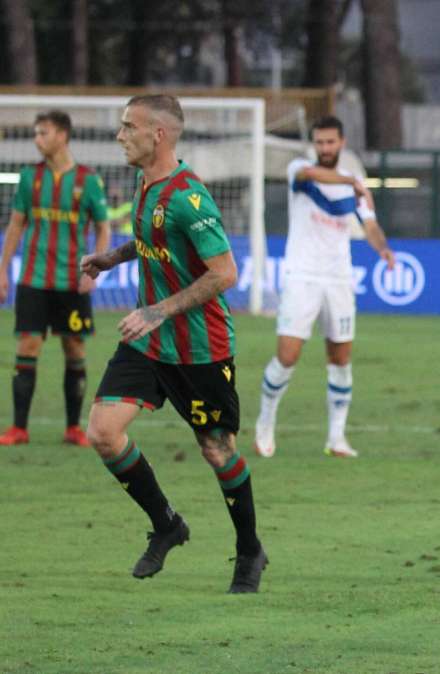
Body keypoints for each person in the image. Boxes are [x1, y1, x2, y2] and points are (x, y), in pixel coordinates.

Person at [80, 94, 267, 593]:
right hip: (148, 344)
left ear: (157, 134)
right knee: (102, 432)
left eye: (128, 127)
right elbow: (149, 241)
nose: (120, 136)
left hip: (201, 349)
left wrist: (158, 310)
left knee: (217, 451)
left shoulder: (189, 197)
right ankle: (167, 525)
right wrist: (113, 258)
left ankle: (249, 549)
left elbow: (225, 273)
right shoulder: (145, 184)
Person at [254, 116, 394, 459]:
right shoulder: (300, 170)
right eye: (320, 143)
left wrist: (384, 250)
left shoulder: (354, 184)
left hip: (339, 279)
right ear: (314, 145)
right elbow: (313, 175)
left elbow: (370, 225)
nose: (325, 148)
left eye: (331, 142)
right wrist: (352, 181)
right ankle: (264, 424)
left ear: (342, 143)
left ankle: (336, 438)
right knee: (287, 356)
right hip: (302, 276)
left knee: (340, 358)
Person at [0, 110, 111, 447]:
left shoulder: (88, 181)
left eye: (43, 133)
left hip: (72, 282)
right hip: (34, 279)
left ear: (62, 135)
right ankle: (19, 428)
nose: (38, 139)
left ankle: (74, 427)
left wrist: (96, 269)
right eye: (36, 133)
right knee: (27, 345)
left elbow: (103, 227)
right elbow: (16, 225)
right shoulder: (29, 178)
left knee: (74, 347)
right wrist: (3, 269)